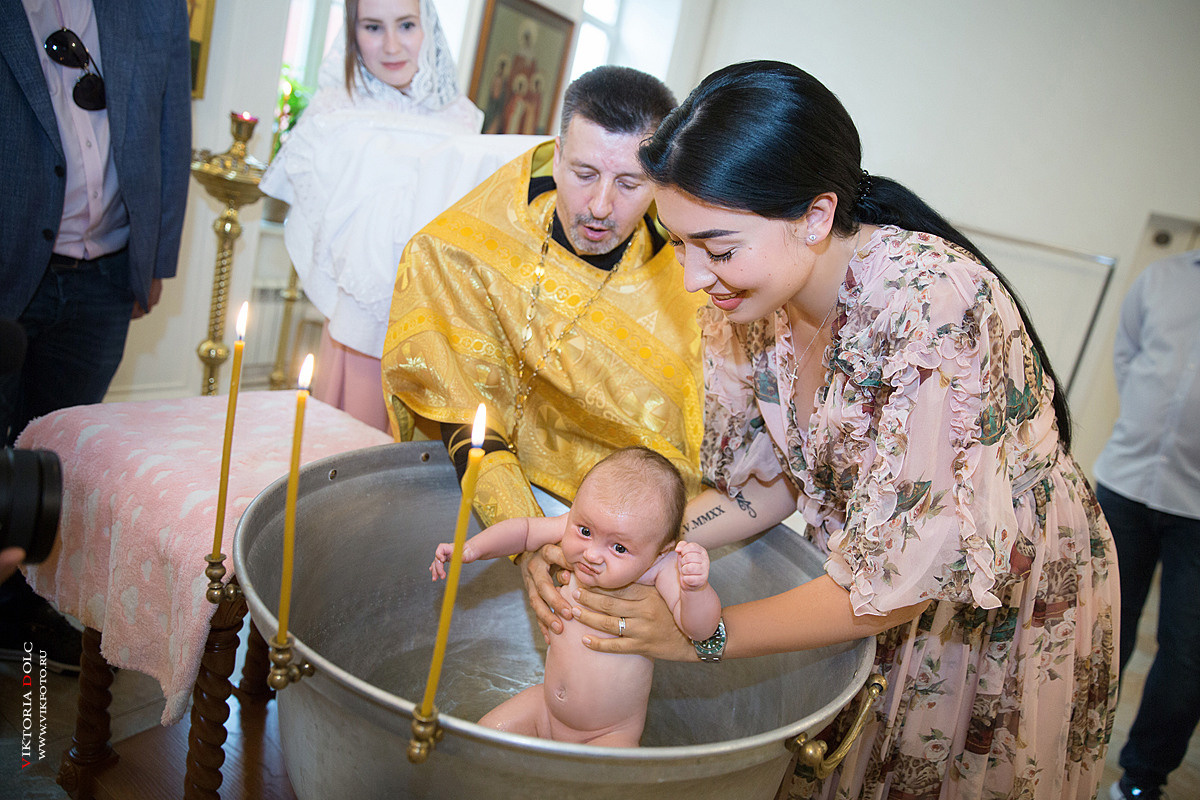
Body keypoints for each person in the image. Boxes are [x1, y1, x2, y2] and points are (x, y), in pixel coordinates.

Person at [520, 61, 1118, 799]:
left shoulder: (929, 307)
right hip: (871, 579)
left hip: (987, 604)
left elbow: (901, 584)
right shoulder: (746, 300)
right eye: (676, 244)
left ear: (815, 214)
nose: (692, 279)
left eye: (718, 246)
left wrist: (701, 637)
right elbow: (762, 490)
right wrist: (612, 545)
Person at [383, 65, 707, 529]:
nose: (599, 206)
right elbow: (452, 392)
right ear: (556, 157)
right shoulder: (467, 250)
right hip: (460, 486)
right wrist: (522, 530)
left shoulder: (685, 295)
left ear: (659, 181)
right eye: (584, 173)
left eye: (629, 184)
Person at [0, 0, 191, 674]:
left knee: (56, 460)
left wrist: (154, 259)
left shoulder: (155, 11)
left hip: (105, 277)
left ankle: (21, 614)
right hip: (9, 266)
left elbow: (172, 131)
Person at [260, 0, 484, 432]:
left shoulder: (460, 118)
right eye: (373, 27)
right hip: (359, 324)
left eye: (406, 25)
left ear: (429, 29)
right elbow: (322, 223)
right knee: (349, 454)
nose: (392, 45)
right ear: (352, 33)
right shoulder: (333, 113)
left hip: (434, 326)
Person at [429, 447, 720, 747]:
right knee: (482, 738)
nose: (592, 554)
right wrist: (472, 548)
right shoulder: (575, 527)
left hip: (609, 734)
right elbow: (525, 530)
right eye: (584, 531)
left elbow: (700, 630)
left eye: (619, 548)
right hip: (545, 710)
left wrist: (695, 589)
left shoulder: (660, 569)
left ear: (661, 550)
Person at [1093, 247, 1200, 800]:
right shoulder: (1160, 278)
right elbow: (1128, 355)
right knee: (1103, 630)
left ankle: (1141, 780)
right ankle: (1075, 749)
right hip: (1127, 484)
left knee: (1187, 653)